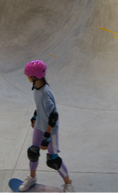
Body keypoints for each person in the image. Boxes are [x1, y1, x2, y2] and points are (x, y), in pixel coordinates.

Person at [20, 60, 74, 192]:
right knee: (33, 152)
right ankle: (32, 178)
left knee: (53, 160)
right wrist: (35, 117)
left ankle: (68, 184)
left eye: (28, 75)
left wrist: (47, 137)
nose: (27, 77)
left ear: (34, 77)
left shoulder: (45, 93)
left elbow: (53, 116)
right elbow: (40, 107)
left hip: (51, 130)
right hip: (39, 126)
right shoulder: (37, 88)